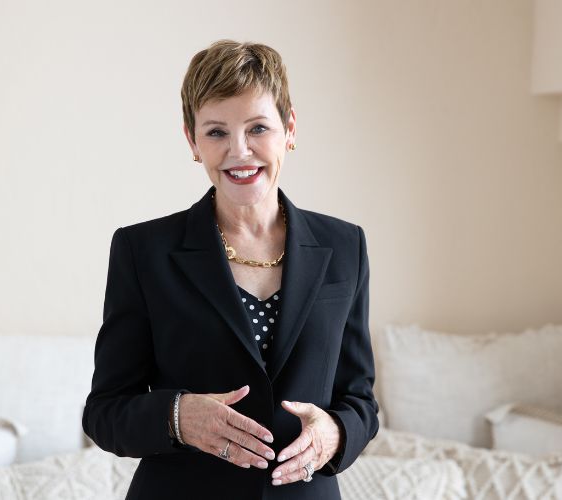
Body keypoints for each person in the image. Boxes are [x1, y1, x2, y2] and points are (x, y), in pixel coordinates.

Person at [82, 39, 379, 500]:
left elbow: (360, 399)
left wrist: (336, 433)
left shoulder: (345, 247)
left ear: (290, 128)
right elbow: (104, 412)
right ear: (192, 140)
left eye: (258, 128)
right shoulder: (142, 250)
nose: (240, 152)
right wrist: (178, 418)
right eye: (217, 132)